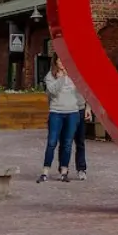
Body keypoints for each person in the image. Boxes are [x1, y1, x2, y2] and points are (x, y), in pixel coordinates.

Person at [37, 54, 82, 183]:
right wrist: (62, 78)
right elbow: (53, 91)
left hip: (72, 112)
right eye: (59, 60)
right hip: (56, 112)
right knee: (52, 142)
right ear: (55, 62)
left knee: (67, 143)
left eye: (64, 60)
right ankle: (45, 171)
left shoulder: (75, 75)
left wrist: (84, 107)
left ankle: (64, 171)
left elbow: (80, 92)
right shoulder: (50, 76)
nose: (62, 62)